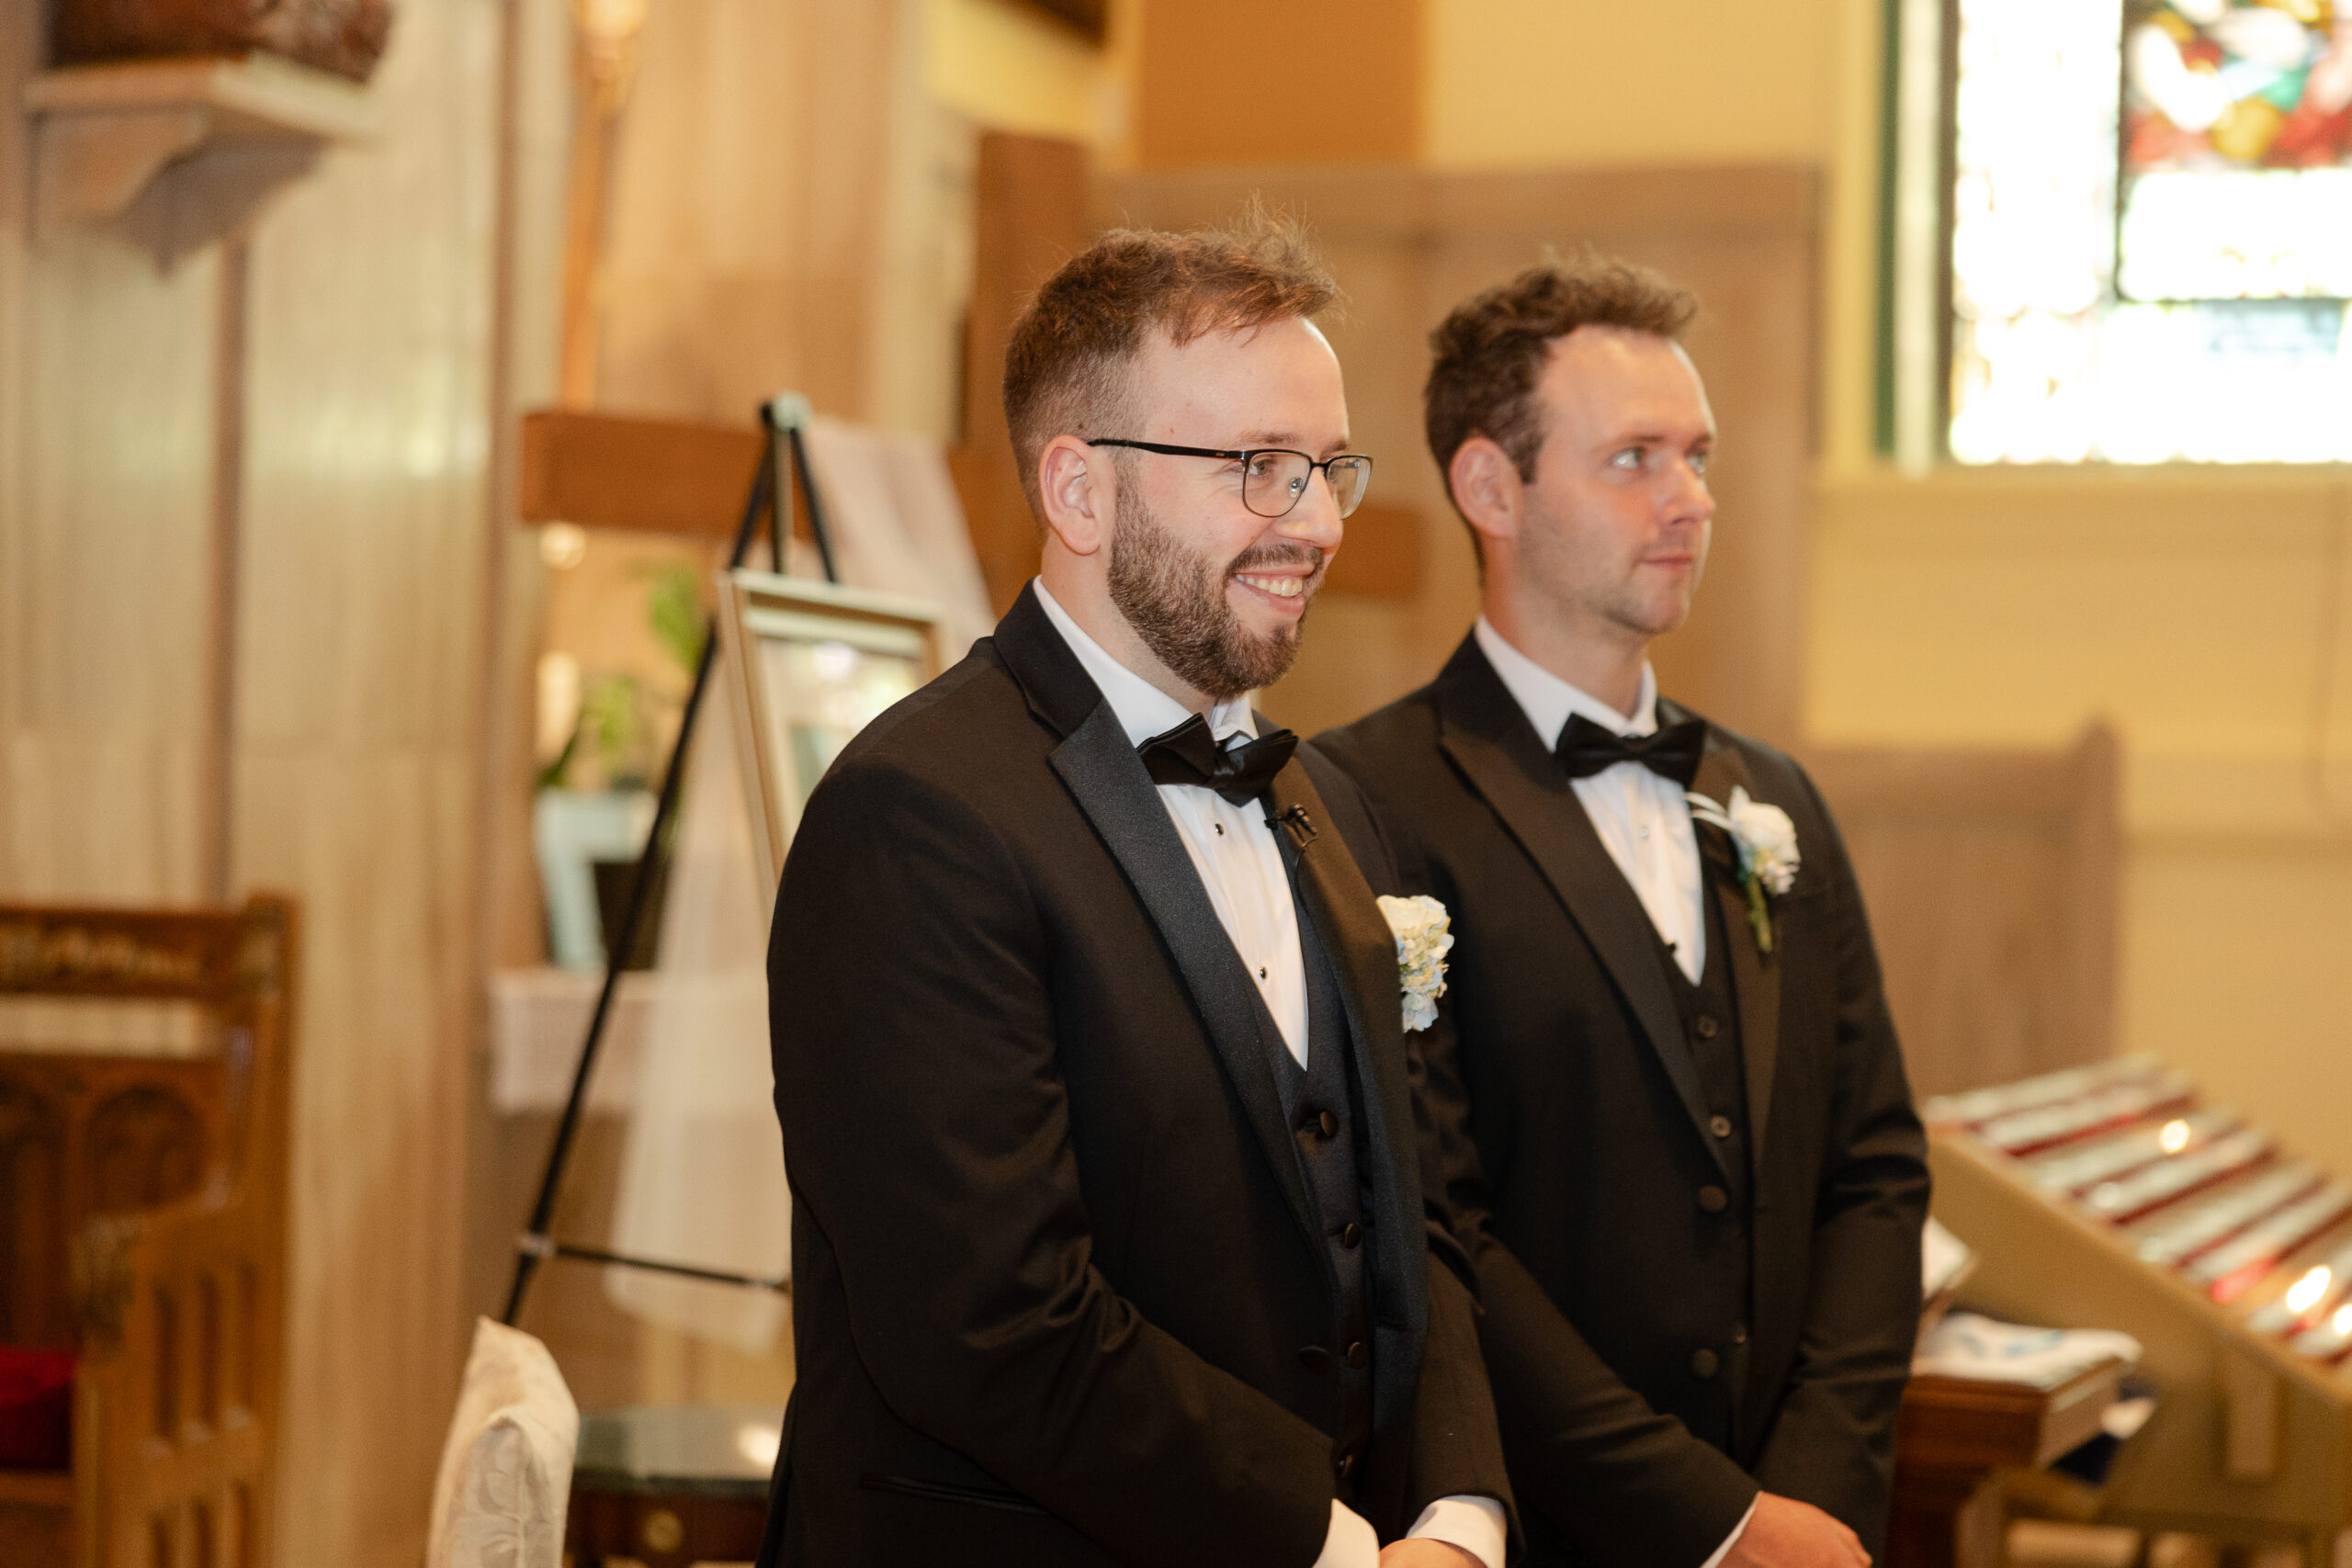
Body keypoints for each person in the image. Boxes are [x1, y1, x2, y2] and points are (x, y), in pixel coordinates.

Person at [757, 218, 1512, 1568]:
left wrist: (1458, 1517)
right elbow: (990, 1325)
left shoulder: (1330, 803)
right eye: (1259, 471)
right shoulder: (919, 814)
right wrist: (1327, 1545)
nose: (1322, 523)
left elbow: (1421, 1222)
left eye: (1329, 467)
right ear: (1080, 491)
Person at [1314, 255, 1929, 1568]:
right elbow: (1441, 1235)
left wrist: (1808, 1498)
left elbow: (1875, 1169)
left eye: (1698, 458)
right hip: (1536, 1531)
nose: (1691, 501)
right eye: (1635, 459)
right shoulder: (1362, 799)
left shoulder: (1777, 801)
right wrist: (1714, 1523)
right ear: (1492, 487)